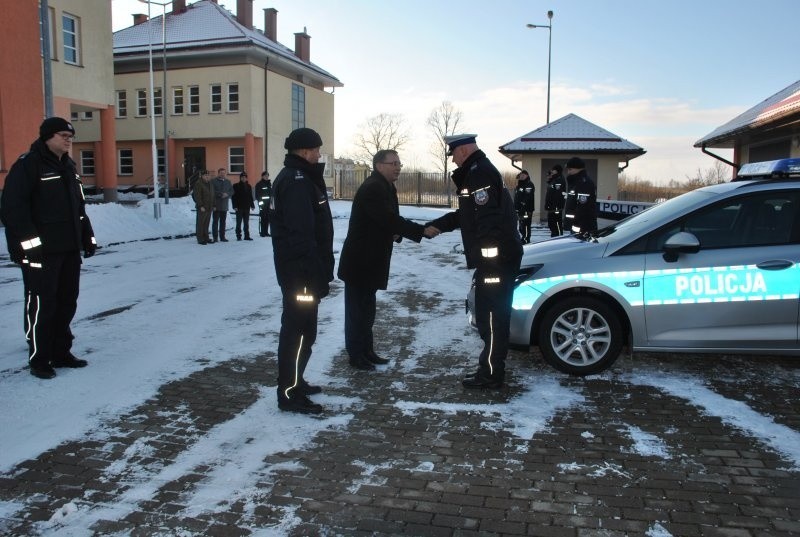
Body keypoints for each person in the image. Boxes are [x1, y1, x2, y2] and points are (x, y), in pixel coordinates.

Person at [0, 117, 97, 379]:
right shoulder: (28, 165)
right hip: (41, 252)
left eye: (70, 136)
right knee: (42, 304)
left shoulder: (68, 166)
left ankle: (61, 351)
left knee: (67, 301)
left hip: (68, 249)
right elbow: (14, 210)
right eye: (63, 135)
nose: (68, 140)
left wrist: (86, 237)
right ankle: (39, 358)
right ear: (47, 137)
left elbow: (78, 208)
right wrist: (30, 247)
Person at [426, 134, 522, 389]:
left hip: (497, 261)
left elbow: (488, 220)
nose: (454, 161)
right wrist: (437, 225)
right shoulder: (478, 171)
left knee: (491, 317)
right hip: (498, 259)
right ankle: (490, 368)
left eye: (455, 155)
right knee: (489, 315)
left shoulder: (479, 174)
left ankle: (491, 374)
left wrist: (488, 262)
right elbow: (467, 215)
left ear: (465, 150)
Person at [337, 150, 439, 371]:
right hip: (359, 262)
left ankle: (367, 351)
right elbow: (388, 218)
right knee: (357, 312)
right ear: (378, 165)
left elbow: (385, 223)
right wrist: (420, 230)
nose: (398, 167)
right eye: (393, 163)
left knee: (367, 310)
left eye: (399, 163)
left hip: (370, 261)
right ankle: (356, 355)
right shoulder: (374, 187)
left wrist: (396, 232)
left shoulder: (385, 186)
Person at [270, 127, 334, 414]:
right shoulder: (296, 181)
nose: (319, 154)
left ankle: (296, 381)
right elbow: (301, 234)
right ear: (305, 151)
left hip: (303, 271)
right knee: (297, 332)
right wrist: (311, 275)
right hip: (301, 274)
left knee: (305, 332)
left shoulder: (301, 178)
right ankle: (289, 393)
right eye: (317, 150)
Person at [562, 157, 598, 234]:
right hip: (576, 225)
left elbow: (583, 207)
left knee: (581, 245)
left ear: (578, 169)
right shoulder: (576, 182)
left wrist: (576, 224)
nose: (568, 172)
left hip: (582, 227)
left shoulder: (584, 183)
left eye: (570, 169)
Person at [513, 169, 536, 244]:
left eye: (523, 175)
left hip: (526, 209)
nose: (521, 177)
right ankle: (523, 237)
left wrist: (523, 205)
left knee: (525, 225)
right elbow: (517, 197)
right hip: (519, 209)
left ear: (527, 176)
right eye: (520, 176)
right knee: (521, 225)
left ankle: (526, 239)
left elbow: (528, 197)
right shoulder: (519, 185)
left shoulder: (529, 184)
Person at [544, 164, 566, 237]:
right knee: (551, 224)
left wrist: (556, 206)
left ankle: (559, 238)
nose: (552, 171)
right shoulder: (554, 180)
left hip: (556, 207)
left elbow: (558, 194)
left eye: (553, 170)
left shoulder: (559, 180)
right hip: (551, 207)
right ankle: (554, 236)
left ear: (557, 171)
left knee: (557, 223)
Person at [232, 171, 255, 241]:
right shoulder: (236, 186)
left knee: (246, 223)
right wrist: (234, 206)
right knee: (238, 222)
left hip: (247, 207)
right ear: (240, 178)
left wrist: (252, 205)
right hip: (239, 207)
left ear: (246, 178)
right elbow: (234, 197)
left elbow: (250, 196)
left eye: (245, 177)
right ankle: (238, 236)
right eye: (242, 177)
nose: (244, 178)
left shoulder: (249, 186)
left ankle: (247, 236)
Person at [211, 168, 233, 242]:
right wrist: (220, 194)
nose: (222, 174)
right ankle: (215, 237)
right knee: (215, 222)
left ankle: (222, 237)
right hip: (216, 205)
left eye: (224, 173)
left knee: (223, 222)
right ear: (218, 173)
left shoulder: (228, 182)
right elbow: (212, 191)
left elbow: (232, 191)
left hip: (224, 206)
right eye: (221, 173)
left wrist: (227, 194)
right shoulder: (213, 181)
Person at [193, 170, 214, 244]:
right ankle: (200, 239)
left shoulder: (210, 183)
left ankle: (206, 237)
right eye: (205, 175)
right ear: (202, 176)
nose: (207, 176)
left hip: (209, 207)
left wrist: (213, 205)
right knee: (200, 223)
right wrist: (200, 205)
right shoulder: (199, 183)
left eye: (208, 175)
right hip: (202, 207)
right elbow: (197, 196)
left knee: (206, 223)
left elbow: (212, 195)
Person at [254, 171, 272, 237]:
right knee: (263, 218)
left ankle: (266, 232)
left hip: (269, 204)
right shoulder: (259, 184)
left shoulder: (269, 184)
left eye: (267, 176)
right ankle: (262, 232)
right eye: (265, 176)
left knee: (267, 219)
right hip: (263, 204)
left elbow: (270, 194)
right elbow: (258, 196)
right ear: (262, 176)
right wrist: (261, 205)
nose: (266, 177)